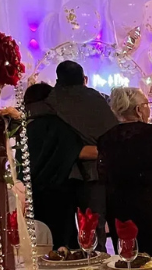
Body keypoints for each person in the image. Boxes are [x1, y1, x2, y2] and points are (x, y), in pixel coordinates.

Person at [98, 88, 152, 260]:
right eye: (147, 105)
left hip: (121, 209)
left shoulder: (106, 138)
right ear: (139, 110)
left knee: (131, 261)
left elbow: (104, 175)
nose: (149, 109)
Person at [38, 61, 118, 249]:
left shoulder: (51, 101)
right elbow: (112, 134)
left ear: (58, 80)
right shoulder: (95, 98)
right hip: (95, 172)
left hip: (61, 174)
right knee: (94, 225)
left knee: (67, 230)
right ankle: (97, 266)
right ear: (83, 79)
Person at [24, 82, 96, 249]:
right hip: (57, 193)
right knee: (60, 244)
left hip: (29, 193)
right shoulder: (57, 125)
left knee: (35, 243)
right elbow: (75, 150)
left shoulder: (21, 127)